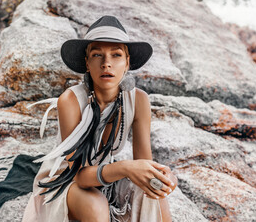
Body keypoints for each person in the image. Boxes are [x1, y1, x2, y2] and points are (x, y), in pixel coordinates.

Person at [22, 15, 177, 222]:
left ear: (127, 62)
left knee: (154, 196)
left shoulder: (138, 100)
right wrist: (125, 168)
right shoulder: (70, 101)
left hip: (107, 177)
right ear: (87, 62)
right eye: (97, 55)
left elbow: (144, 163)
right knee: (96, 206)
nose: (106, 64)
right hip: (68, 180)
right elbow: (79, 175)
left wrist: (164, 178)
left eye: (116, 55)